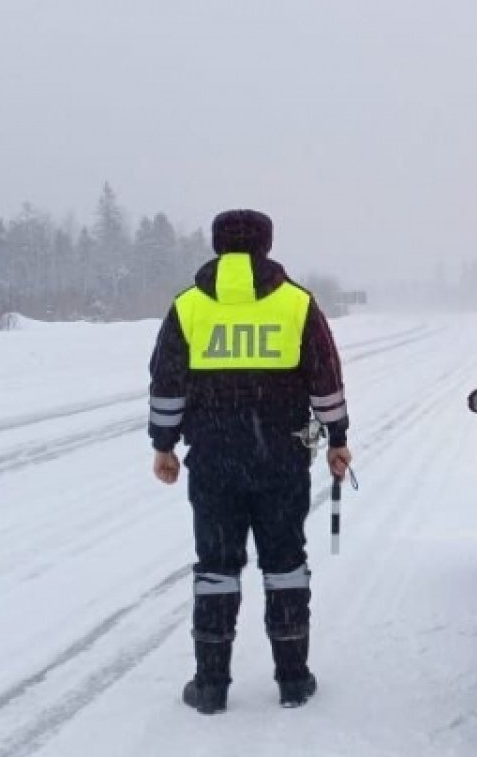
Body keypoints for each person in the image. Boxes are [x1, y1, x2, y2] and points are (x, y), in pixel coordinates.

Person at [147, 209, 351, 714]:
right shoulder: (296, 304)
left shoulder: (189, 307)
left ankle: (211, 686)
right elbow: (325, 380)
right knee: (285, 563)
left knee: (216, 567)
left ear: (218, 246)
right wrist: (338, 438)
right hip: (280, 459)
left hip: (213, 461)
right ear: (267, 244)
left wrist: (164, 445)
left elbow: (167, 383)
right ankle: (293, 680)